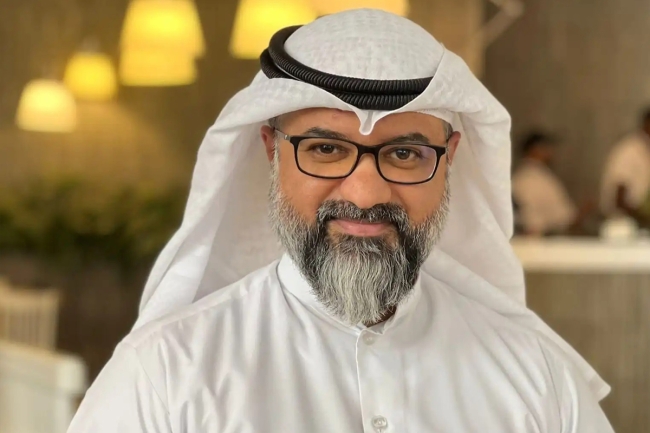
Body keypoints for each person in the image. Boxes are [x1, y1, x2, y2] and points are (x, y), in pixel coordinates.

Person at [68, 10, 613, 433]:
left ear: (449, 160)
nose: (366, 193)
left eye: (405, 153)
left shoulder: (535, 376)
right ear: (272, 150)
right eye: (326, 149)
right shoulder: (165, 373)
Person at [512, 131, 586, 236]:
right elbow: (565, 220)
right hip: (541, 239)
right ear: (535, 149)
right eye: (547, 147)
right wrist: (585, 210)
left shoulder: (520, 177)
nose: (552, 152)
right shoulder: (538, 179)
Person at [601, 107, 650, 219]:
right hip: (621, 222)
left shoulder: (645, 150)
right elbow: (619, 198)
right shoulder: (629, 150)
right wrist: (644, 218)